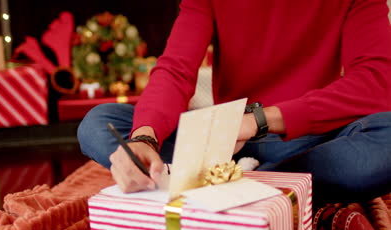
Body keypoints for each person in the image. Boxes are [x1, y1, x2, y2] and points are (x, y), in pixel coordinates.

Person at [78, 0, 391, 204]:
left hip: (308, 139)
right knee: (100, 122)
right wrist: (145, 136)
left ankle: (236, 187)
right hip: (223, 145)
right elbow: (175, 69)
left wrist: (257, 120)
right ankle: (290, 193)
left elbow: (377, 79)